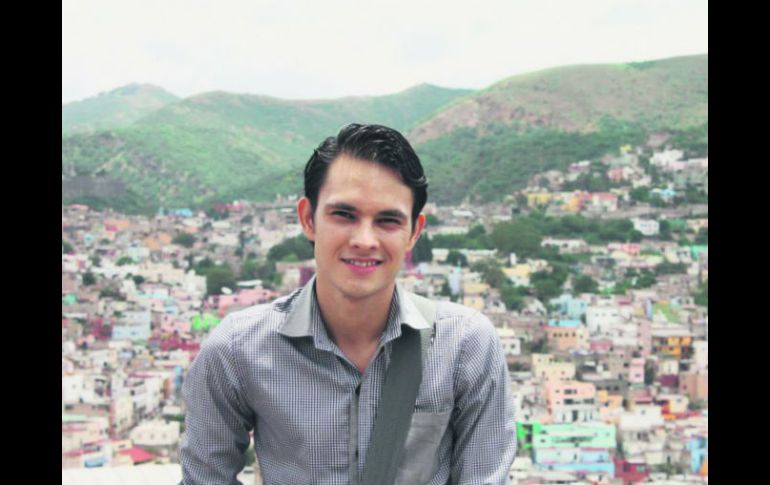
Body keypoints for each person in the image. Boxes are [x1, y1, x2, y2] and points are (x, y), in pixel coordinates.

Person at [180, 123, 517, 484]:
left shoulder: (463, 345)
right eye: (344, 215)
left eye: (387, 220)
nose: (364, 240)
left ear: (414, 233)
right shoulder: (238, 349)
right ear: (308, 219)